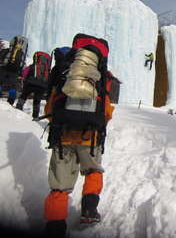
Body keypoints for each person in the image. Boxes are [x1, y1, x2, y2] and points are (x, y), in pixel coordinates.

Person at [43, 34, 114, 238]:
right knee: (93, 170)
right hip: (90, 137)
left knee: (59, 184)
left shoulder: (66, 76)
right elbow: (106, 112)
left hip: (63, 136)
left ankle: (55, 225)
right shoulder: (98, 79)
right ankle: (89, 211)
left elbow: (50, 108)